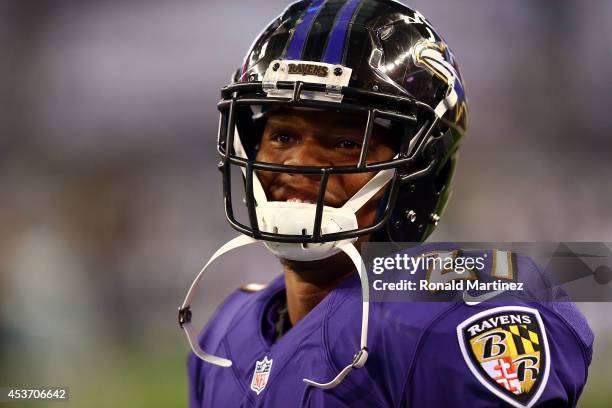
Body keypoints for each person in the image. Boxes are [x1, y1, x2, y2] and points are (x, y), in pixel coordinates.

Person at [179, 1, 593, 406]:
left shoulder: (444, 320)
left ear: (419, 168)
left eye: (344, 143)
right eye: (283, 137)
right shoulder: (224, 333)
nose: (300, 163)